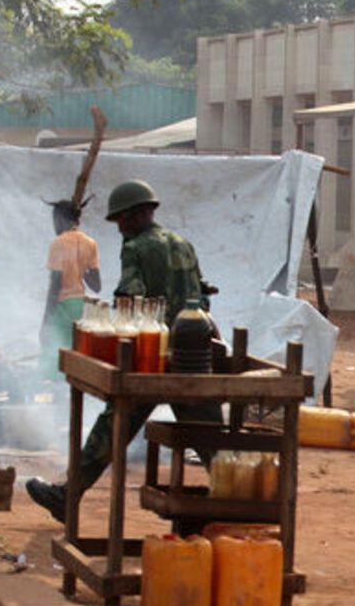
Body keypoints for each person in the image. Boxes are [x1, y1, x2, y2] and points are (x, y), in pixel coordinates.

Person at [25, 179, 222, 522]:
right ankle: (240, 497)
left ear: (134, 215)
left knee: (113, 424)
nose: (119, 229)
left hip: (152, 355)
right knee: (209, 437)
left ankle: (67, 495)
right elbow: (202, 295)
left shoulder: (136, 247)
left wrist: (115, 326)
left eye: (120, 221)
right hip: (192, 354)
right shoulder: (182, 243)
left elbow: (130, 297)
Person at [39, 199, 100, 381]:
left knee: (55, 357)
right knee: (77, 355)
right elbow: (97, 286)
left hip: (63, 307)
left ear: (60, 219)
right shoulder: (90, 243)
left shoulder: (58, 243)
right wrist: (80, 266)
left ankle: (56, 392)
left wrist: (46, 320)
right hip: (81, 307)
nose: (54, 225)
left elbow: (55, 284)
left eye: (54, 220)